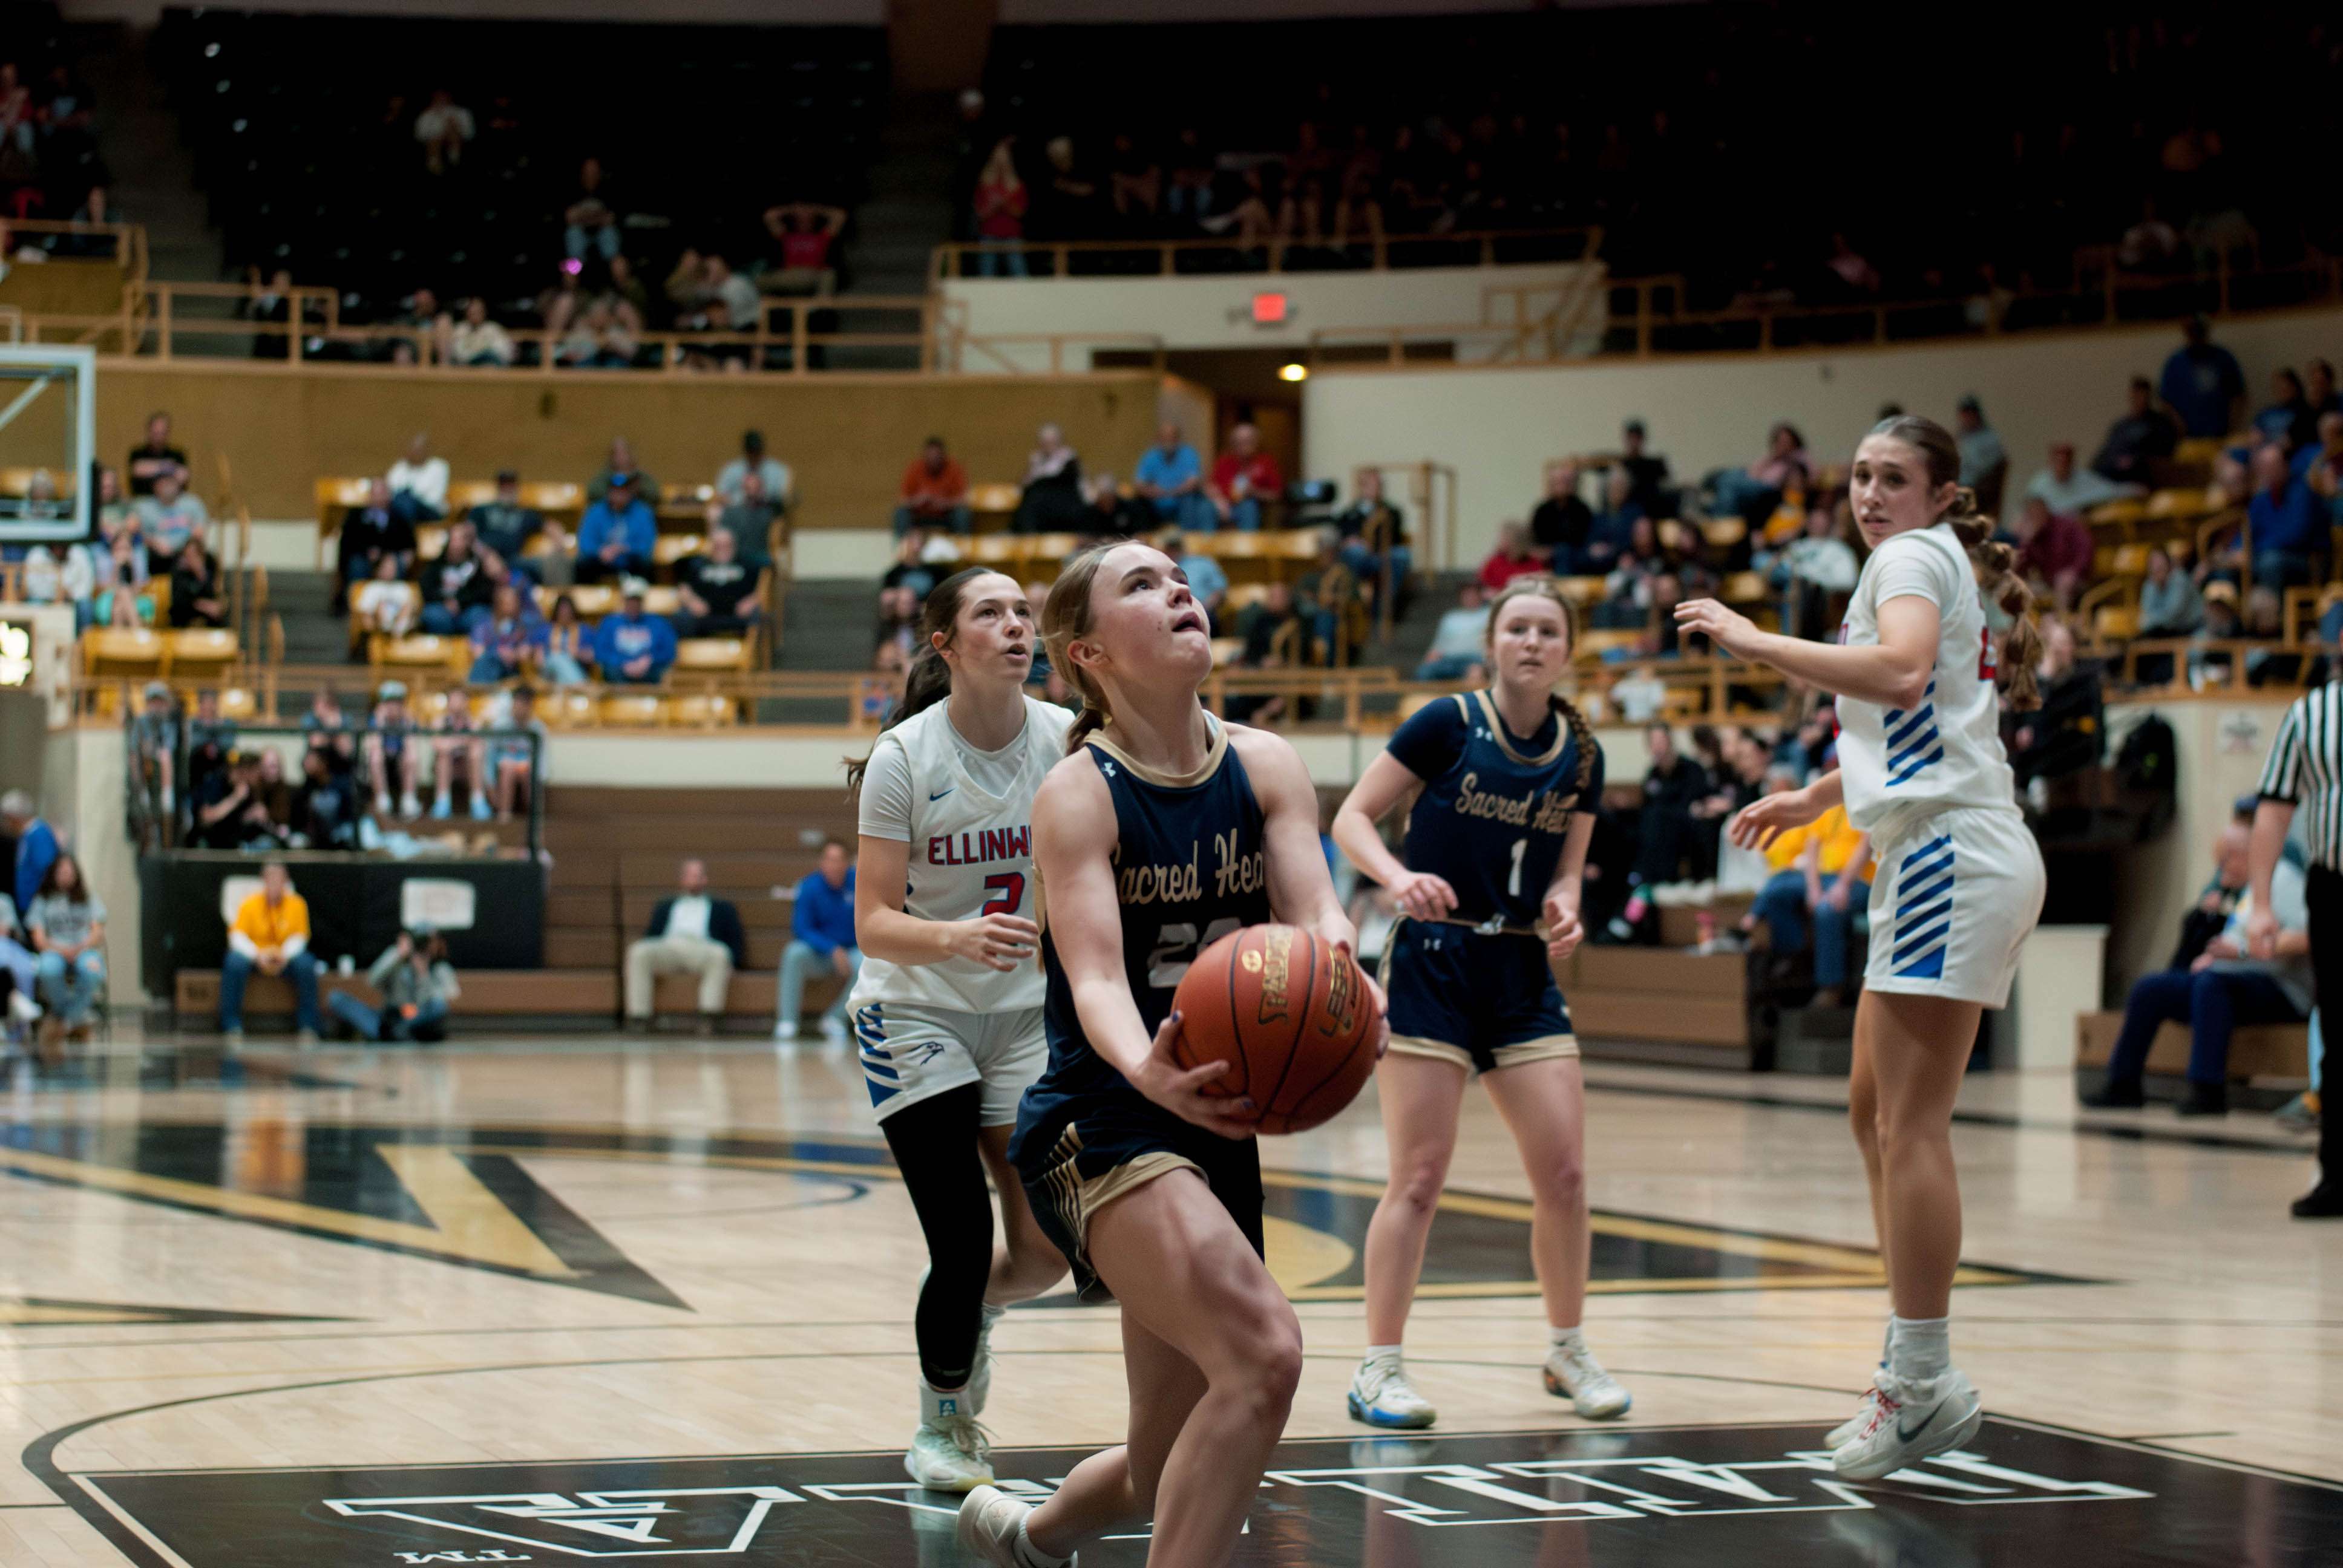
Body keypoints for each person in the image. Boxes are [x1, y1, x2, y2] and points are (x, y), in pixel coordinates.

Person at [955, 540, 1379, 1568]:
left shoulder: (1265, 763)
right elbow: (1095, 976)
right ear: (1088, 652)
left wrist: (1341, 979)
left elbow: (1315, 910)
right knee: (1265, 1357)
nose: (1178, 588)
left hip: (1217, 1114)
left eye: (1178, 575)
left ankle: (1032, 1535)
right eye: (1140, 585)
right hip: (1097, 1117)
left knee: (1168, 1458)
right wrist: (1144, 1063)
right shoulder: (1078, 792)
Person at [1675, 413, 2046, 1480]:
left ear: (1937, 495)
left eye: (1894, 477)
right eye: (1860, 476)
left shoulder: (1909, 555)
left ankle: (1923, 1381)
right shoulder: (1927, 556)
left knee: (1909, 1123)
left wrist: (1751, 641)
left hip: (1949, 853)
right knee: (1869, 1113)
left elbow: (1892, 674)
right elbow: (1934, 713)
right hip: (1934, 843)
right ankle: (1909, 1363)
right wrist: (1818, 792)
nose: (1870, 493)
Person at [1330, 576, 1624, 1432]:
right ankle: (1379, 1366)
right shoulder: (1445, 724)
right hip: (1434, 958)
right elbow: (1353, 817)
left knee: (1565, 1175)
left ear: (1568, 650)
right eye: (1517, 628)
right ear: (1492, 642)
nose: (1532, 642)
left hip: (1523, 966)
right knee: (1418, 1178)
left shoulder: (1583, 751)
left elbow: (1568, 868)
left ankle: (1567, 1348)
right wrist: (1394, 878)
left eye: (1548, 631)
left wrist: (1569, 902)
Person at [839, 567, 1073, 1490]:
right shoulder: (905, 757)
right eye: (992, 613)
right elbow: (871, 921)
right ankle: (944, 1420)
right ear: (945, 643)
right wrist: (954, 936)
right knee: (962, 1235)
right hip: (914, 1006)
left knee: (1050, 1250)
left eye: (1025, 611)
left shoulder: (1064, 738)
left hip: (1022, 1016)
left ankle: (970, 1317)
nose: (1018, 626)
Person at [2087, 840, 2310, 1117]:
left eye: (2225, 861)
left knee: (2212, 985)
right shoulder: (2251, 888)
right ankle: (2123, 1085)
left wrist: (2241, 952)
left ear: (2245, 855)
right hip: (2231, 978)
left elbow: (2307, 938)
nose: (2220, 870)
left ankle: (2208, 1090)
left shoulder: (2285, 880)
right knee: (2151, 988)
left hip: (2284, 988)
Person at [2244, 677, 2343, 1215]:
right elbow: (2275, 809)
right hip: (2335, 886)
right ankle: (2338, 1176)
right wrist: (2260, 903)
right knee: (2336, 1031)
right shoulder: (2310, 714)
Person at [1743, 789, 1873, 1007]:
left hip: (1859, 880)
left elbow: (1867, 845)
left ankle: (1831, 987)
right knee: (1778, 892)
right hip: (1823, 877)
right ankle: (1793, 958)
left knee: (1827, 909)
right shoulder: (1829, 805)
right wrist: (1813, 888)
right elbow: (1812, 846)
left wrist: (1843, 885)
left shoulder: (1867, 801)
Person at [623, 859, 748, 1033]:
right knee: (639, 951)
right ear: (682, 880)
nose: (694, 880)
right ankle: (639, 1018)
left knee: (721, 954)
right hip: (669, 947)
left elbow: (735, 938)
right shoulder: (666, 905)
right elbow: (652, 935)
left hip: (703, 948)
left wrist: (734, 962)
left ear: (705, 879)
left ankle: (709, 1017)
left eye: (698, 876)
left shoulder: (722, 907)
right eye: (690, 876)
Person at [220, 860, 323, 1044]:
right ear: (264, 881)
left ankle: (308, 1026)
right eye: (271, 878)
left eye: (279, 878)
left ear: (286, 881)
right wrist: (257, 955)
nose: (275, 883)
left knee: (307, 964)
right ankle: (231, 1025)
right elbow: (237, 937)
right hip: (256, 958)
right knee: (233, 962)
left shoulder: (297, 904)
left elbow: (300, 937)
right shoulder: (249, 904)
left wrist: (284, 955)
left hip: (285, 958)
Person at [776, 840, 859, 1040]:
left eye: (839, 860)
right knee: (793, 953)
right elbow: (802, 928)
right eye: (830, 860)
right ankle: (787, 1021)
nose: (834, 865)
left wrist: (846, 951)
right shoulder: (810, 886)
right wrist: (832, 949)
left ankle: (835, 1018)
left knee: (872, 964)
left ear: (848, 863)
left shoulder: (859, 883)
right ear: (822, 863)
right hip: (821, 954)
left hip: (854, 950)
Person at [2007, 618, 2103, 789]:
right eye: (2056, 644)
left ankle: (2033, 787)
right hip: (2041, 749)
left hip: (2072, 748)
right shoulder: (2038, 680)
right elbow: (2024, 716)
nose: (2060, 650)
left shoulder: (2083, 679)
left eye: (2065, 644)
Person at [27, 852, 106, 1054]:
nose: (65, 876)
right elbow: (38, 938)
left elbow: (98, 931)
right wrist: (61, 950)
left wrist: (81, 947)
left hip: (83, 949)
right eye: (61, 872)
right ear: (54, 874)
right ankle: (78, 1017)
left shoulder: (88, 898)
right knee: (47, 970)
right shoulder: (43, 900)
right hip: (54, 950)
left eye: (69, 872)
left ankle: (64, 1022)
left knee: (92, 970)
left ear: (76, 874)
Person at [332, 929, 459, 1043]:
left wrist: (423, 975)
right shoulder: (397, 960)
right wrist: (397, 955)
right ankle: (393, 1033)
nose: (422, 946)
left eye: (427, 942)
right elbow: (372, 981)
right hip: (391, 1018)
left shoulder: (440, 968)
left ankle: (398, 1033)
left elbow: (447, 1000)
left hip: (419, 1022)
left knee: (439, 1006)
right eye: (418, 941)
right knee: (337, 998)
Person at [2159, 316, 2246, 440]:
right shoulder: (2176, 363)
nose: (2196, 337)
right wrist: (2178, 426)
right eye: (2192, 332)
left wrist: (2232, 426)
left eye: (2199, 331)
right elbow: (2165, 402)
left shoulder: (2224, 359)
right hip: (2190, 439)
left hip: (2222, 436)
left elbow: (2239, 396)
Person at [674, 528, 761, 638]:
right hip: (704, 615)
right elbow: (684, 588)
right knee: (682, 617)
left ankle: (755, 653)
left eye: (727, 545)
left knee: (760, 615)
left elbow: (762, 589)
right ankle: (688, 653)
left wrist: (752, 601)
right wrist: (692, 602)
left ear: (734, 545)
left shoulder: (747, 565)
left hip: (738, 614)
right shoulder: (697, 565)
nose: (723, 550)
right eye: (718, 546)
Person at [2092, 377, 2178, 486]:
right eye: (2135, 395)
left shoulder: (2159, 424)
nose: (2138, 400)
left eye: (2141, 395)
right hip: (2111, 477)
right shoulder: (2121, 426)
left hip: (2139, 478)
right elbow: (2105, 453)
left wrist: (2135, 460)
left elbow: (2162, 454)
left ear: (2148, 397)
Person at [593, 579, 678, 684]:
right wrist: (623, 662)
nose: (634, 604)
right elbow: (600, 652)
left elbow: (670, 651)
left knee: (663, 671)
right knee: (609, 670)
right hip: (619, 672)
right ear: (623, 601)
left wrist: (650, 659)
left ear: (643, 601)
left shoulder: (659, 623)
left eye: (637, 600)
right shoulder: (610, 623)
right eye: (630, 600)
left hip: (650, 671)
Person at [576, 472, 655, 584]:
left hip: (630, 561)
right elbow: (585, 541)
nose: (619, 495)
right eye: (615, 491)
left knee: (645, 564)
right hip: (601, 561)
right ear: (609, 492)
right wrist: (600, 551)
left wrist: (624, 549)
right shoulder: (595, 512)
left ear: (629, 493)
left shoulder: (643, 512)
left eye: (623, 491)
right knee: (583, 564)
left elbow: (646, 544)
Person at [1133, 423, 1211, 534]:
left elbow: (1193, 483)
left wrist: (1169, 492)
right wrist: (1153, 492)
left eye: (1171, 437)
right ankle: (1143, 539)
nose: (1168, 440)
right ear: (1158, 439)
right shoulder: (1150, 456)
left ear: (1178, 438)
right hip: (1156, 504)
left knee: (1191, 500)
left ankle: (1188, 538)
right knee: (1138, 503)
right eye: (1164, 437)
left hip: (1181, 503)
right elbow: (1139, 485)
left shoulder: (1189, 454)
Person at [2027, 441, 2138, 520]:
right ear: (2051, 461)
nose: (2062, 465)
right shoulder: (2039, 484)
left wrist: (2134, 490)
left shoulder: (2083, 478)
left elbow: (2111, 491)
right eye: (2058, 461)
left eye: (2066, 461)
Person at [418, 521, 493, 635]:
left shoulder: (477, 565)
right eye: (454, 539)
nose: (456, 544)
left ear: (468, 543)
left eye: (460, 539)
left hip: (467, 609)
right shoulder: (437, 564)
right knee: (433, 615)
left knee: (480, 614)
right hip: (442, 607)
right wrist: (445, 601)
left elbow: (484, 592)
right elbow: (426, 588)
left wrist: (459, 602)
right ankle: (442, 649)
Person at [1207, 422, 1283, 534]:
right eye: (1239, 442)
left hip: (1250, 507)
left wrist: (1254, 492)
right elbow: (1210, 486)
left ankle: (1246, 548)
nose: (1243, 445)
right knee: (1205, 508)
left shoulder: (1266, 462)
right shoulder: (1224, 461)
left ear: (1257, 442)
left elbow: (1276, 495)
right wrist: (1219, 501)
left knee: (1249, 506)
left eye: (1248, 441)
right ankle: (1203, 548)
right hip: (1224, 506)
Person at [485, 686, 546, 822]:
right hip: (505, 768)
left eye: (524, 703)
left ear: (531, 706)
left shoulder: (538, 729)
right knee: (508, 767)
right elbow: (489, 758)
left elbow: (542, 761)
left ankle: (534, 819)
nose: (520, 707)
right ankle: (504, 815)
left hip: (527, 770)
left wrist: (539, 779)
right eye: (517, 702)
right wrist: (489, 783)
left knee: (528, 769)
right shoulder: (500, 726)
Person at [364, 681, 423, 820]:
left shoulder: (407, 722)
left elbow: (412, 748)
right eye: (388, 702)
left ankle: (409, 801)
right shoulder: (375, 721)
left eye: (397, 703)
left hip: (400, 767)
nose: (393, 707)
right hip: (382, 767)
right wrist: (380, 723)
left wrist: (408, 724)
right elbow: (373, 747)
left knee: (411, 757)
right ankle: (382, 801)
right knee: (376, 756)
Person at [468, 583, 548, 684]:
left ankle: (478, 689)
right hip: (491, 667)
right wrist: (499, 654)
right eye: (508, 603)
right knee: (489, 661)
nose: (513, 606)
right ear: (498, 604)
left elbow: (526, 651)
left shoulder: (526, 624)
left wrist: (513, 655)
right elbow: (478, 653)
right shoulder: (484, 626)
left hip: (514, 669)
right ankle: (478, 690)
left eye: (515, 602)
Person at [134, 469, 209, 575]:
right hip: (157, 554)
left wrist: (181, 548)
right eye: (163, 482)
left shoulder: (192, 503)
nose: (167, 486)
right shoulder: (144, 507)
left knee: (198, 555)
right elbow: (140, 534)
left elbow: (199, 532)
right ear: (155, 486)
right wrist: (155, 543)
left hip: (186, 550)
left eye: (170, 482)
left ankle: (205, 587)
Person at [1011, 425, 1083, 535]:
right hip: (1042, 514)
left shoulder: (1069, 461)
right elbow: (1023, 486)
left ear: (1059, 442)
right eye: (1045, 443)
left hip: (1064, 511)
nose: (1048, 446)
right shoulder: (1036, 461)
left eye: (1051, 442)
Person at [1413, 581, 1490, 682]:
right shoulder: (1450, 617)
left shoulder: (1489, 614)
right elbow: (1438, 645)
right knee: (1425, 672)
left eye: (1473, 594)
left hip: (1475, 659)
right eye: (1466, 595)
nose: (1470, 597)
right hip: (1448, 660)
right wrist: (1429, 660)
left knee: (1476, 674)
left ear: (1480, 596)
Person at [467, 471, 542, 570]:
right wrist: (486, 555)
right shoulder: (481, 510)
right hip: (484, 559)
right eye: (504, 485)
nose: (507, 489)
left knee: (537, 566)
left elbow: (548, 525)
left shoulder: (526, 514)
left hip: (513, 562)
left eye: (511, 485)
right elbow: (468, 535)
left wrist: (560, 543)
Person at [896, 437, 971, 537]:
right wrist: (918, 500)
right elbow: (902, 500)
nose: (934, 460)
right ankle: (905, 548)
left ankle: (962, 547)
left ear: (943, 456)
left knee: (962, 514)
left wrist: (945, 503)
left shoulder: (954, 469)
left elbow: (965, 499)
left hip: (946, 515)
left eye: (937, 456)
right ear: (925, 456)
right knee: (901, 513)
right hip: (920, 514)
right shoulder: (915, 469)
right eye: (930, 456)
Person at [3, 790, 59, 921]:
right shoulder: (26, 836)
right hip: (28, 906)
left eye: (7, 818)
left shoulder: (39, 835)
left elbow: (47, 869)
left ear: (15, 817)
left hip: (38, 908)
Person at [1530, 460, 1593, 572]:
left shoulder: (1582, 510)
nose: (1562, 486)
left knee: (1564, 552)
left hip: (1575, 556)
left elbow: (1584, 539)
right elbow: (1535, 538)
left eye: (1565, 482)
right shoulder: (1542, 511)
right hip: (1546, 557)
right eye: (1557, 482)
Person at [1952, 395, 2006, 515]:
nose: (1966, 418)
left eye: (1970, 414)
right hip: (1957, 485)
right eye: (1964, 414)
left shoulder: (1990, 439)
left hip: (1978, 489)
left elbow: (1988, 468)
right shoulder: (1960, 436)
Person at [715, 429, 792, 510]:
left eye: (757, 451)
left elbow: (785, 497)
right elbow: (720, 496)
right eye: (751, 451)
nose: (754, 455)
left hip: (767, 514)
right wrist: (741, 499)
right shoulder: (731, 471)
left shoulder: (778, 471)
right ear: (745, 451)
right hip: (738, 514)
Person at [386, 432, 450, 527]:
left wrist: (410, 498)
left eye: (418, 450)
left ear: (426, 451)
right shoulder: (400, 467)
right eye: (412, 449)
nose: (414, 452)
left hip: (431, 511)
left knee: (406, 503)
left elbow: (434, 499)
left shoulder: (439, 467)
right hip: (401, 509)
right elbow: (389, 490)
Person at [166, 540, 226, 629]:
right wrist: (204, 606)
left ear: (201, 556)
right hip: (185, 611)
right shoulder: (179, 571)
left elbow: (215, 594)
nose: (190, 559)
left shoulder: (210, 567)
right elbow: (179, 601)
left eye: (194, 556)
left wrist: (200, 574)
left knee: (218, 615)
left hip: (207, 609)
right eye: (187, 556)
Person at [126, 411, 188, 498]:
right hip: (145, 499)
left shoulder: (177, 455)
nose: (159, 437)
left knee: (193, 503)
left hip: (173, 500)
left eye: (162, 433)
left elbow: (183, 476)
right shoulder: (138, 453)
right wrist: (168, 468)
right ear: (149, 431)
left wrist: (152, 469)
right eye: (156, 433)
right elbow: (137, 470)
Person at [1478, 520, 1547, 592]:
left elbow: (1541, 585)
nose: (1500, 541)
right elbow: (1484, 587)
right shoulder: (1493, 562)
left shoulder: (1534, 563)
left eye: (1504, 538)